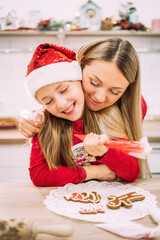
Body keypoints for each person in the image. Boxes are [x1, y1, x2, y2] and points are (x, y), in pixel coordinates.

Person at [21, 38, 151, 182]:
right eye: (94, 83)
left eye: (115, 92)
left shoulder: (124, 111)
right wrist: (98, 172)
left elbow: (131, 170)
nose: (100, 98)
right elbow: (40, 174)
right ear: (80, 68)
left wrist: (105, 153)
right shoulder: (48, 119)